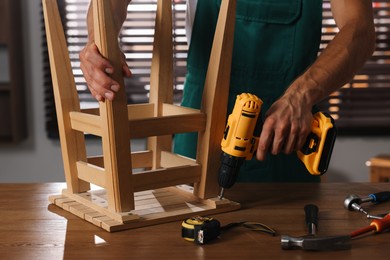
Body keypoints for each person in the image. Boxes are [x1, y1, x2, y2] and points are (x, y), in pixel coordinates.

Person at [80, 0, 375, 182]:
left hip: (285, 136)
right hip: (199, 125)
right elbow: (111, 3)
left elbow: (359, 29)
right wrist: (99, 41)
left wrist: (301, 95)